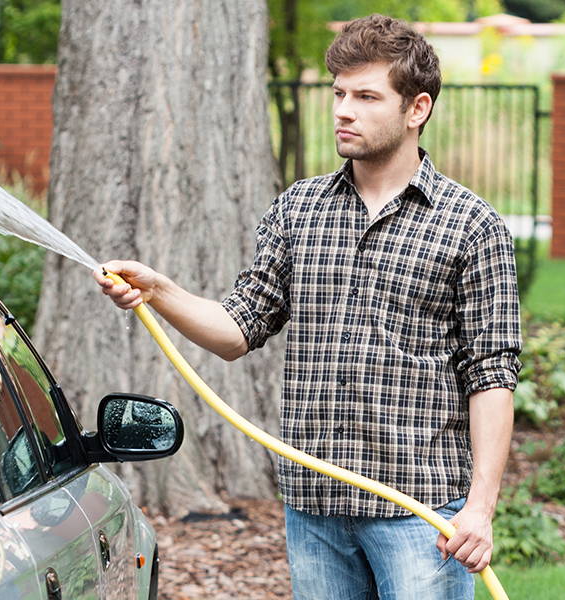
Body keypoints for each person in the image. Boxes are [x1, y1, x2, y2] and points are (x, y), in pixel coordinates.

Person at [94, 13, 521, 600]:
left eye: (367, 96)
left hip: (421, 513)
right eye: (339, 93)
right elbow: (236, 329)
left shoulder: (472, 227)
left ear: (416, 108)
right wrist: (158, 291)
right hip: (315, 507)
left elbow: (491, 376)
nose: (344, 110)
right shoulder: (300, 210)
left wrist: (479, 509)